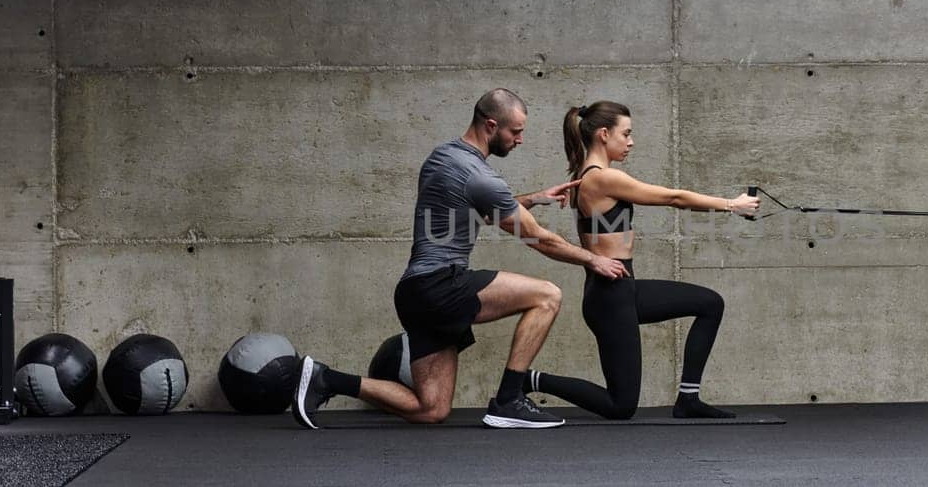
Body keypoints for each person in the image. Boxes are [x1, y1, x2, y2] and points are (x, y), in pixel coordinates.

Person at [292, 88, 628, 429]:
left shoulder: (443, 157)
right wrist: (592, 259)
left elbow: (470, 216)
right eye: (515, 131)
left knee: (431, 408)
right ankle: (509, 399)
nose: (520, 139)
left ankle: (327, 379)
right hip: (442, 284)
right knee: (547, 296)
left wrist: (533, 199)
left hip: (415, 293)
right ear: (491, 125)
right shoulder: (480, 176)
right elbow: (537, 239)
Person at [520, 100, 759, 420]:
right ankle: (529, 379)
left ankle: (688, 399)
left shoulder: (585, 175)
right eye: (626, 134)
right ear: (604, 134)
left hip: (621, 289)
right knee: (621, 406)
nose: (631, 142)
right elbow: (673, 197)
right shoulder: (602, 178)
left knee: (709, 303)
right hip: (610, 296)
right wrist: (732, 204)